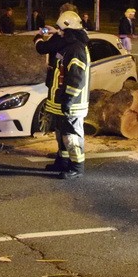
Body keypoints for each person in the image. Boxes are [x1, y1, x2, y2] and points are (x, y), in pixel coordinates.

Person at [35, 11, 90, 179]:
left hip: (72, 103)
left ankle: (76, 167)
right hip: (61, 101)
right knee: (61, 133)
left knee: (72, 135)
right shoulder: (68, 46)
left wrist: (68, 99)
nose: (59, 32)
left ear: (69, 30)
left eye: (61, 30)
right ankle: (63, 161)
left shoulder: (76, 49)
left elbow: (76, 79)